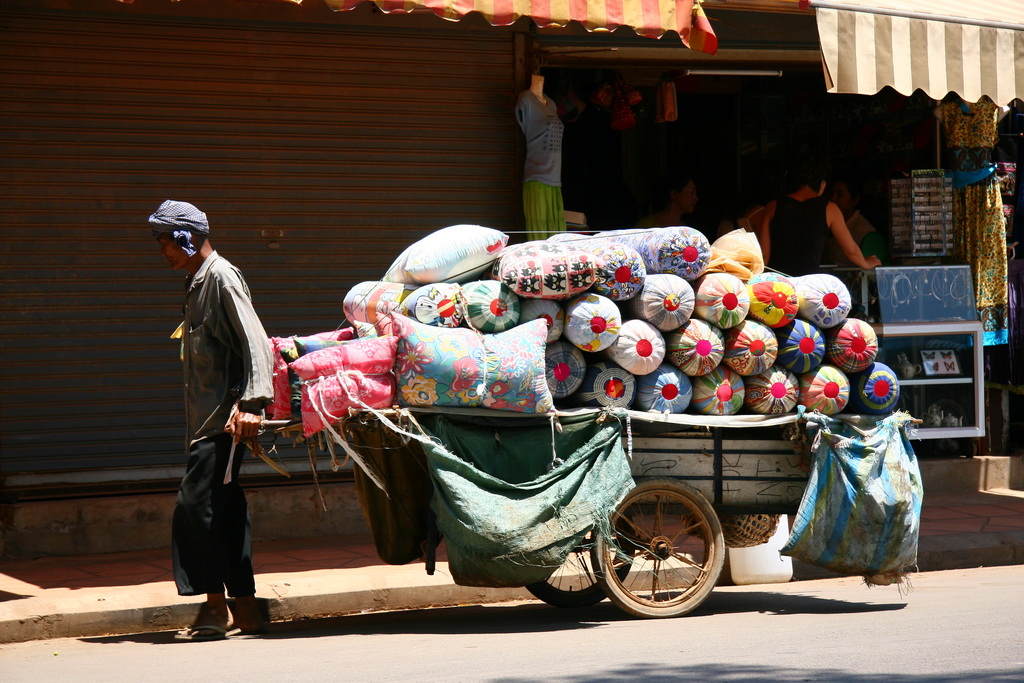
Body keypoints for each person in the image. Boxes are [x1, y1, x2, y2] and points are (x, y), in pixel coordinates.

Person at [150, 200, 275, 641]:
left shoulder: (221, 276)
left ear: (185, 238)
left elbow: (255, 341)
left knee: (194, 505)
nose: (162, 253)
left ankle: (213, 606)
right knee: (223, 508)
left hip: (227, 421)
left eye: (165, 243)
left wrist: (254, 405)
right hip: (207, 421)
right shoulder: (195, 283)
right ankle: (246, 608)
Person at [755, 154, 882, 277]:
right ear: (822, 183)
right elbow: (851, 250)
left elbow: (764, 255)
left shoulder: (772, 206)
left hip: (779, 284)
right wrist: (865, 263)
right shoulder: (830, 209)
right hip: (809, 285)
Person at [516, 73, 566, 241]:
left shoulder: (550, 103)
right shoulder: (526, 100)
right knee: (539, 236)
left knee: (556, 236)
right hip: (537, 176)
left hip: (554, 178)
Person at [822, 174, 888, 266]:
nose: (833, 198)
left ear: (855, 200)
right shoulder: (829, 225)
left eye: (840, 195)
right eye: (831, 193)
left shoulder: (863, 232)